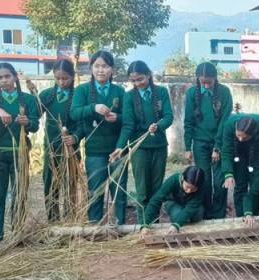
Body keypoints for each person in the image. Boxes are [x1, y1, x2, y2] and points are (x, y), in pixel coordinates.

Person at [0, 62, 40, 254]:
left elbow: (35, 124)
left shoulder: (27, 100)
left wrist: (27, 122)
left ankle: (17, 236)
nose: (4, 80)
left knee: (19, 195)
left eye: (7, 76)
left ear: (15, 77)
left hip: (19, 152)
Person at [111, 60, 173, 225]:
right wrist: (120, 146)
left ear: (148, 75)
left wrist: (158, 126)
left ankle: (155, 223)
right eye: (133, 80)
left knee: (156, 189)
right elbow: (128, 124)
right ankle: (143, 225)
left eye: (140, 79)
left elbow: (168, 116)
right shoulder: (129, 96)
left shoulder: (161, 92)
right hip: (139, 148)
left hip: (159, 147)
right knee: (142, 190)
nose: (137, 83)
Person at [71, 51, 129, 225]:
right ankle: (94, 227)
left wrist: (117, 118)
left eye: (105, 66)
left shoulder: (120, 91)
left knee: (119, 191)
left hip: (117, 150)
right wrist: (93, 108)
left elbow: (128, 119)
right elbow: (74, 113)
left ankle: (119, 227)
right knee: (95, 192)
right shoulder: (82, 90)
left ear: (112, 69)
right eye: (96, 66)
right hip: (95, 151)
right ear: (91, 68)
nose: (100, 70)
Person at [26, 59, 79, 222]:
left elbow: (83, 123)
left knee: (70, 182)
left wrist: (75, 136)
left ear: (72, 76)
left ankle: (70, 221)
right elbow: (35, 116)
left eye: (65, 78)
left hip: (71, 148)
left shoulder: (78, 95)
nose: (61, 82)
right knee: (50, 183)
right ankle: (52, 220)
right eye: (57, 78)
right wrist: (33, 97)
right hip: (51, 147)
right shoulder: (46, 95)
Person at [183, 62, 234, 220]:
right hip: (200, 144)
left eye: (209, 82)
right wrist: (188, 147)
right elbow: (188, 121)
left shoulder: (224, 92)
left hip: (219, 143)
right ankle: (206, 214)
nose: (205, 85)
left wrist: (217, 147)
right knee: (203, 180)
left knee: (219, 182)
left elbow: (225, 122)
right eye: (202, 82)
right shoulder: (192, 93)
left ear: (215, 78)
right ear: (197, 79)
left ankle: (218, 216)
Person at [220, 113, 259, 217]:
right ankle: (241, 216)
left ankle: (255, 215)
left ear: (253, 133)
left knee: (256, 183)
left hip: (258, 150)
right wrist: (228, 174)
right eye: (238, 135)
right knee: (240, 183)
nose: (240, 139)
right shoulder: (230, 125)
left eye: (244, 137)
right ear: (236, 127)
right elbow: (226, 151)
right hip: (237, 151)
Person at [139, 166, 206, 235]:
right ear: (183, 178)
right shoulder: (173, 179)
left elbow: (191, 207)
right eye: (187, 186)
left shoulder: (201, 186)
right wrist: (145, 224)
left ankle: (186, 222)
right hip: (173, 202)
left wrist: (176, 224)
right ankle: (180, 220)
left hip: (191, 204)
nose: (189, 191)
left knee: (198, 214)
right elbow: (156, 200)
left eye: (194, 189)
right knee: (177, 215)